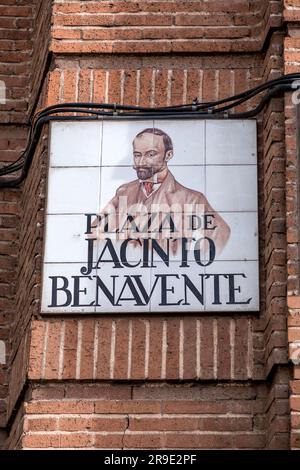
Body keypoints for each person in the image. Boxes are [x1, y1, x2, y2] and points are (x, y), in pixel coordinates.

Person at [91, 127, 230, 257]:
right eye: (137, 155)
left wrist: (193, 266)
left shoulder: (192, 199)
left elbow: (221, 235)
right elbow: (94, 231)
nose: (141, 162)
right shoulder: (124, 192)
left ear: (168, 155)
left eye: (151, 154)